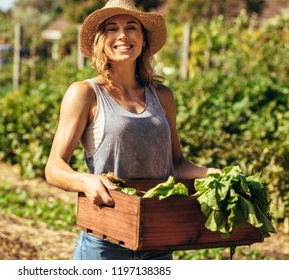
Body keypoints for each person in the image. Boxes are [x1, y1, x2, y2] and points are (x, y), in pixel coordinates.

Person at [45, 0, 221, 260]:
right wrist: (86, 180)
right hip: (105, 238)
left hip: (157, 237)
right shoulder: (85, 93)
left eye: (131, 27)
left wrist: (214, 174)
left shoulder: (162, 96)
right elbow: (54, 167)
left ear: (144, 39)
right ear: (100, 40)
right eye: (112, 28)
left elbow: (177, 164)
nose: (123, 35)